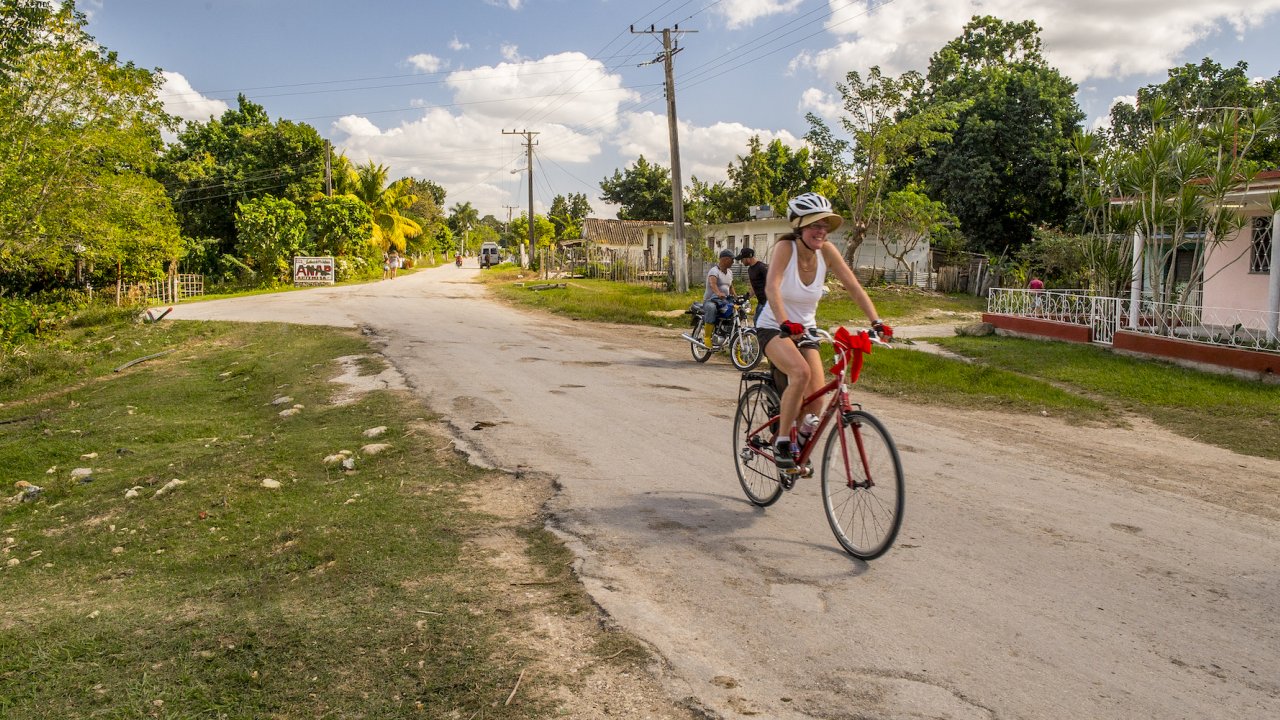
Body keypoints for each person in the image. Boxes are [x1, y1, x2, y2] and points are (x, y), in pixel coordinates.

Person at [757, 192, 890, 470]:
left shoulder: (827, 251)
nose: (821, 231)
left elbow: (853, 287)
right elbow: (772, 288)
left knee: (817, 400)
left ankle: (798, 442)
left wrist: (876, 322)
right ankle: (782, 440)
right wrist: (784, 322)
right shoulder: (786, 248)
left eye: (825, 225)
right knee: (800, 373)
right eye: (815, 224)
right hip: (774, 327)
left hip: (806, 329)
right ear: (800, 226)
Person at [702, 248, 737, 350]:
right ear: (725, 259)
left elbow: (730, 287)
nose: (733, 262)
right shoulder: (714, 271)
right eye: (732, 260)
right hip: (710, 300)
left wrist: (736, 296)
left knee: (736, 310)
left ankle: (728, 334)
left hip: (724, 300)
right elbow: (712, 284)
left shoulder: (730, 272)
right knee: (712, 308)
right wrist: (718, 293)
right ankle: (707, 337)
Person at [736, 247, 768, 323]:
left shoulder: (762, 267)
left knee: (758, 322)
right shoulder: (750, 269)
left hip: (768, 302)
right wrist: (747, 296)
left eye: (742, 259)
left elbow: (772, 283)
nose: (741, 262)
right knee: (756, 320)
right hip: (761, 301)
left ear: (748, 258)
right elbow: (754, 286)